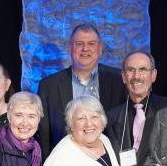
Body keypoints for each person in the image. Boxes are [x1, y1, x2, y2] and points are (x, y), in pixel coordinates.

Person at [37, 23, 126, 154]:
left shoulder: (119, 80)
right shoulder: (48, 86)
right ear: (70, 48)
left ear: (100, 48)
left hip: (110, 162)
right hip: (65, 164)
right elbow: (44, 136)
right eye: (79, 44)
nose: (85, 48)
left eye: (91, 43)